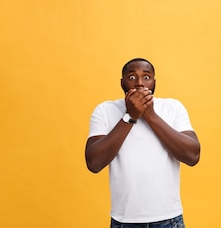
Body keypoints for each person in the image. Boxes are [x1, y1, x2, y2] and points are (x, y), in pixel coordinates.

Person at [85, 58, 201, 228]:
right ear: (122, 82)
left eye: (146, 77)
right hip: (124, 222)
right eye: (132, 77)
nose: (139, 83)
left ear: (154, 82)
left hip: (169, 220)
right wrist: (130, 116)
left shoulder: (173, 108)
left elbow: (193, 156)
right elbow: (94, 163)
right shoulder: (104, 110)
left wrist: (150, 115)